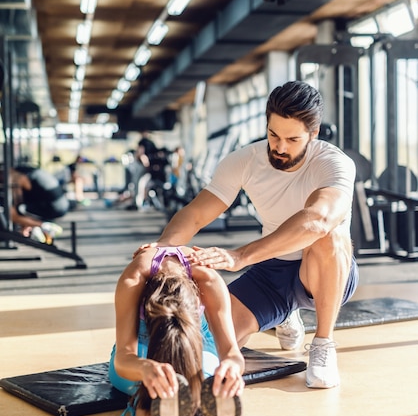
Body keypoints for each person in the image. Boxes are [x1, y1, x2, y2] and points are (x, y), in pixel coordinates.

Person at [137, 80, 359, 389]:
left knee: (327, 234)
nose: (280, 147)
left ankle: (323, 344)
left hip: (323, 269)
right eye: (273, 134)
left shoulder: (334, 163)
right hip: (270, 270)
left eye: (292, 139)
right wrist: (161, 249)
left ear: (314, 133)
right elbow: (196, 214)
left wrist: (239, 255)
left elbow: (318, 220)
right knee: (205, 344)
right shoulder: (244, 161)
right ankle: (284, 314)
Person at [109, 244, 244, 416]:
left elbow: (232, 353)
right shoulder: (134, 279)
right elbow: (124, 357)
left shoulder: (208, 278)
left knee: (145, 394)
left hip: (194, 344)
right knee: (158, 383)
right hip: (144, 346)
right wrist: (145, 367)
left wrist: (232, 367)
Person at [0, 165, 69, 242]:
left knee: (10, 212)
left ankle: (46, 227)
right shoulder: (28, 171)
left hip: (53, 205)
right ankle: (36, 229)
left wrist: (19, 217)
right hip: (60, 203)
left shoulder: (17, 175)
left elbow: (19, 200)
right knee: (20, 210)